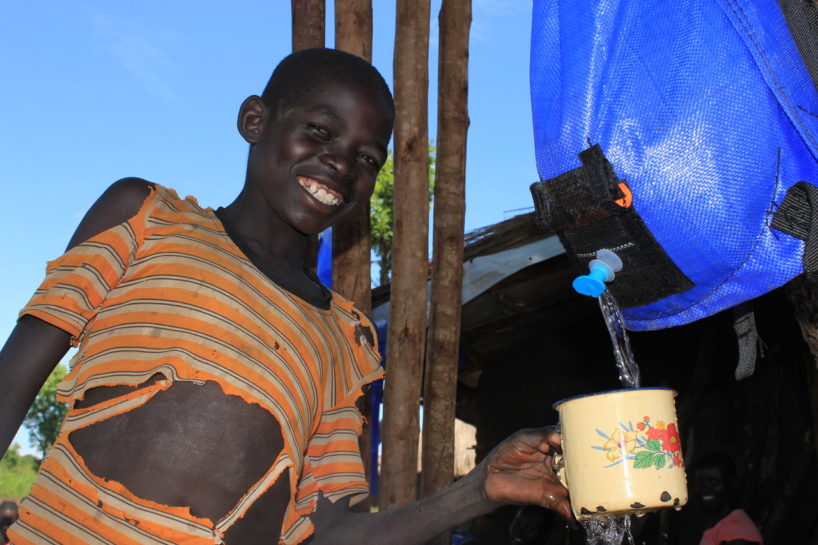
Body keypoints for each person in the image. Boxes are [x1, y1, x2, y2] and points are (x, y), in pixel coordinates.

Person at [0, 48, 571, 545]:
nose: (341, 163)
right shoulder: (146, 217)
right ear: (255, 120)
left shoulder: (345, 339)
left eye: (367, 157)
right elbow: (12, 380)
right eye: (321, 132)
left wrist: (478, 490)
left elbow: (329, 533)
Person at [692, 452, 763, 545]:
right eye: (700, 482)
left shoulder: (737, 529)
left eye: (714, 482)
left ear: (731, 484)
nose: (706, 489)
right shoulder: (719, 524)